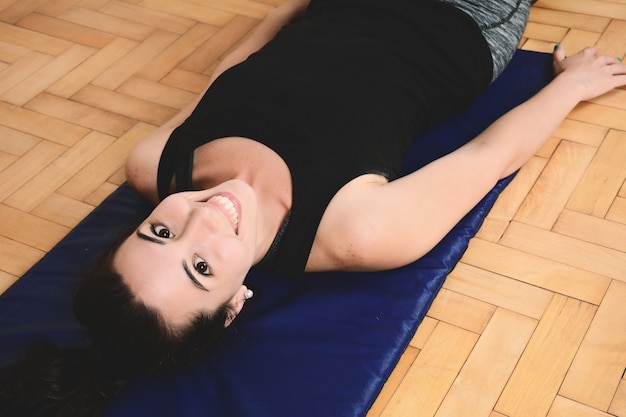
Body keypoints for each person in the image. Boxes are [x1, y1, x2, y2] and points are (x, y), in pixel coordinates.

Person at [1, 0, 625, 416]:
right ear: (234, 306)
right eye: (202, 268)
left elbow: (230, 75)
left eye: (159, 232)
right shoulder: (358, 232)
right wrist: (572, 85)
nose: (204, 217)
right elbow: (490, 155)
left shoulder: (156, 163)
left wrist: (286, 9)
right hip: (457, 17)